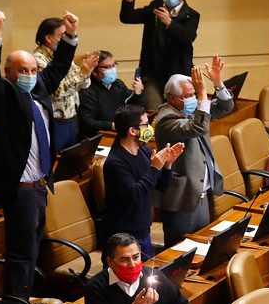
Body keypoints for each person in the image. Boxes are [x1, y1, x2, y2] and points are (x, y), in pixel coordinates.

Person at [0, 10, 79, 304]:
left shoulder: (37, 90)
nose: (30, 74)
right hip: (20, 190)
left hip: (39, 185)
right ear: (10, 72)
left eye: (34, 69)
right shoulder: (3, 95)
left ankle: (22, 303)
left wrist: (70, 36)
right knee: (21, 255)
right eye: (23, 70)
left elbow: (60, 67)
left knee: (32, 250)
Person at [154, 57, 234, 247]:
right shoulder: (166, 120)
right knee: (180, 251)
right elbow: (199, 127)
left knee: (201, 247)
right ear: (172, 99)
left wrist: (217, 83)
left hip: (201, 194)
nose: (195, 98)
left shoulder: (192, 111)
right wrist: (202, 92)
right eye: (189, 95)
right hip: (182, 199)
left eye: (194, 93)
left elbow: (226, 106)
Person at [102, 104, 184, 259]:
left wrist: (167, 165)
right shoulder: (116, 162)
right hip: (123, 239)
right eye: (146, 125)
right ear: (132, 131)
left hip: (143, 232)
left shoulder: (144, 151)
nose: (150, 128)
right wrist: (154, 168)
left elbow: (161, 186)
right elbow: (136, 195)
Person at [120, 0, 199, 110]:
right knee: (155, 112)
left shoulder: (191, 15)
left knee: (180, 113)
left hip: (178, 74)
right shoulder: (154, 8)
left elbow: (188, 37)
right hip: (152, 75)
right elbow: (127, 17)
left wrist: (169, 22)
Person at [33, 17, 99, 151]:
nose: (65, 40)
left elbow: (83, 85)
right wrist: (83, 73)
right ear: (49, 38)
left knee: (71, 165)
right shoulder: (37, 60)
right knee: (54, 164)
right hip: (53, 121)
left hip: (71, 118)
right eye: (63, 36)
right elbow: (56, 91)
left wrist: (87, 71)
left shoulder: (63, 56)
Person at [78, 50, 145, 137]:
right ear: (94, 71)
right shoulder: (87, 91)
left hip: (121, 133)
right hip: (101, 136)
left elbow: (134, 108)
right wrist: (112, 126)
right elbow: (87, 122)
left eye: (113, 65)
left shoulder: (118, 84)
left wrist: (138, 93)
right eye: (107, 67)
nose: (112, 69)